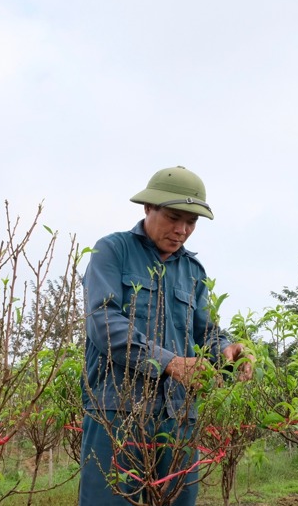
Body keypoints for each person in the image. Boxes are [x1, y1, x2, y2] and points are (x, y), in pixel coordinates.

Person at [79, 165, 253, 506]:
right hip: (117, 411)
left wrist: (228, 349)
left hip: (179, 414)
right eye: (174, 217)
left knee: (176, 500)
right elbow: (103, 321)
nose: (182, 230)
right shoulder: (112, 252)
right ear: (148, 208)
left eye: (191, 223)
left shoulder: (193, 271)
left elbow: (205, 331)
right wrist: (168, 362)